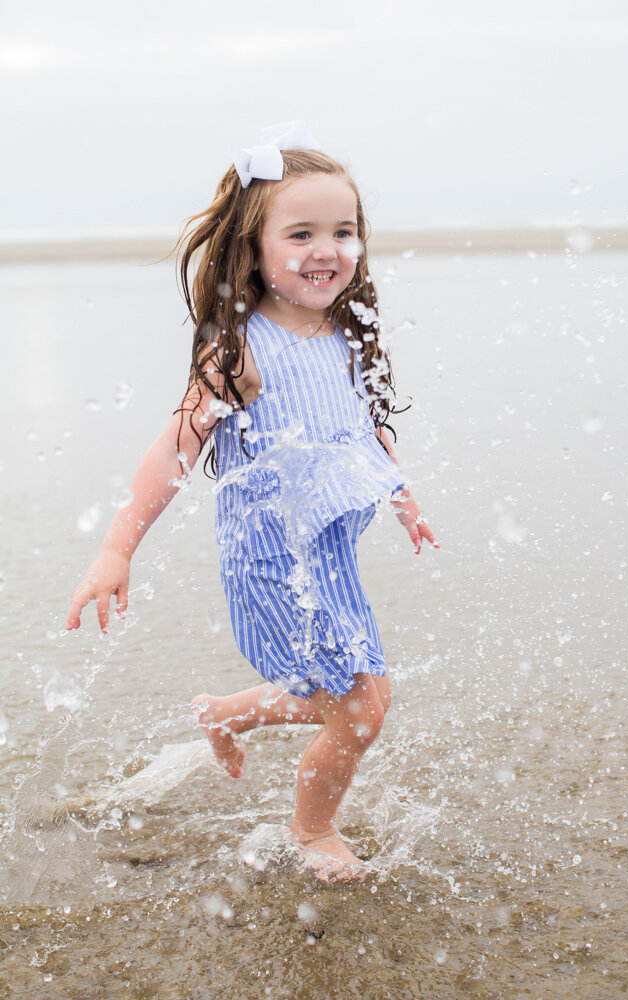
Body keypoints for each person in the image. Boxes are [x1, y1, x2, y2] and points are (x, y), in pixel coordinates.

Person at [66, 121, 438, 883]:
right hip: (269, 558)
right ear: (253, 249)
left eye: (343, 231)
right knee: (363, 708)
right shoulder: (239, 352)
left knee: (354, 700)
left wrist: (399, 493)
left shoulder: (347, 334)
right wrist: (115, 550)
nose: (326, 249)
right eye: (300, 232)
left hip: (326, 554)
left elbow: (363, 426)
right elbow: (172, 451)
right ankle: (313, 832)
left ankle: (227, 711)